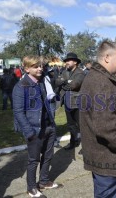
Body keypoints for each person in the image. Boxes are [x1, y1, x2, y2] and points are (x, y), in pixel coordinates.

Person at [79, 40, 116, 198]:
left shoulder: (100, 78)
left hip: (107, 157)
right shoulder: (100, 82)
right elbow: (105, 125)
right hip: (108, 157)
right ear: (107, 57)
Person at [12, 55, 60, 198]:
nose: (40, 68)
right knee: (34, 160)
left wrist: (52, 123)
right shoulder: (21, 86)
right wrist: (29, 132)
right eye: (36, 66)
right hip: (34, 129)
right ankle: (31, 188)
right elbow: (18, 112)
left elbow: (47, 102)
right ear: (26, 69)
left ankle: (44, 181)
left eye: (41, 66)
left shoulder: (40, 82)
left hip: (48, 126)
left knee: (48, 156)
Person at [55, 52, 85, 150]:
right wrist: (66, 81)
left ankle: (86, 147)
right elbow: (57, 81)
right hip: (67, 102)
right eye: (66, 60)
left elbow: (74, 85)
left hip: (78, 103)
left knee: (82, 126)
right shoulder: (64, 71)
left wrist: (65, 82)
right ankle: (73, 143)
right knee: (71, 125)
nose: (67, 62)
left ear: (75, 62)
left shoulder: (80, 72)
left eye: (69, 60)